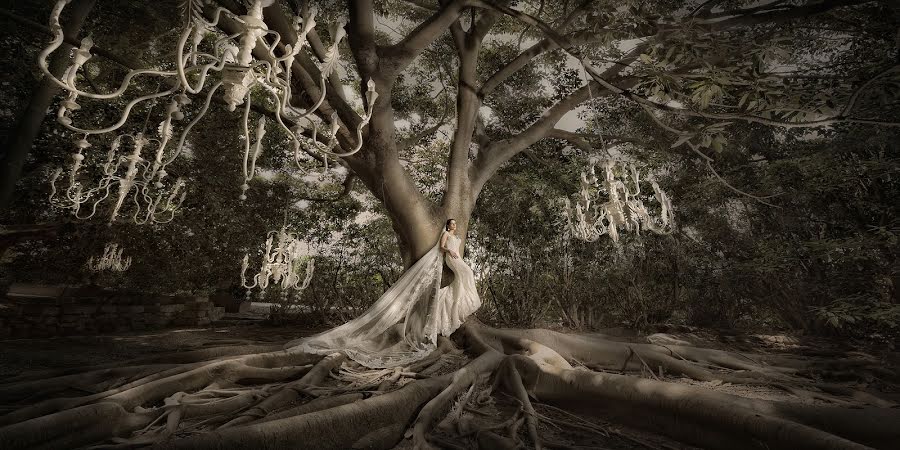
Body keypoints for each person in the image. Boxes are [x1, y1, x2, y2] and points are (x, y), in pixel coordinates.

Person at [284, 219, 482, 368]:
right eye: (452, 224)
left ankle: (458, 301)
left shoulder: (457, 235)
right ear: (448, 226)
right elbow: (442, 246)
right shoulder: (446, 235)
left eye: (456, 224)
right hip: (450, 258)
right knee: (466, 273)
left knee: (467, 275)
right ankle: (458, 302)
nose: (454, 226)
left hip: (455, 257)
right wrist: (450, 252)